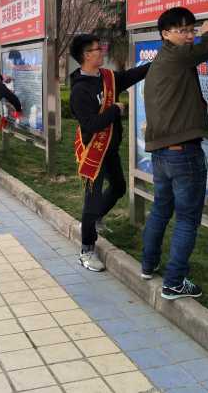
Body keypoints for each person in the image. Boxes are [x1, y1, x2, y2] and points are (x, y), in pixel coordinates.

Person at [140, 7, 208, 300]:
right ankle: (174, 282)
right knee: (187, 218)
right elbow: (206, 49)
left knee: (161, 209)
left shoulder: (162, 59)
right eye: (182, 30)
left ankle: (148, 265)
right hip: (183, 153)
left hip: (162, 153)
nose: (189, 36)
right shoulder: (177, 56)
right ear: (165, 34)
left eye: (192, 30)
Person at [69, 34, 150, 272]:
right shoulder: (79, 90)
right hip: (93, 150)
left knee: (118, 187)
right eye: (98, 48)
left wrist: (159, 60)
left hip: (110, 147)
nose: (102, 51)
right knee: (91, 201)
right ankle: (86, 250)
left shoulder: (107, 77)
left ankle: (95, 220)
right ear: (87, 55)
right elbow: (90, 124)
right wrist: (114, 109)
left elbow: (132, 75)